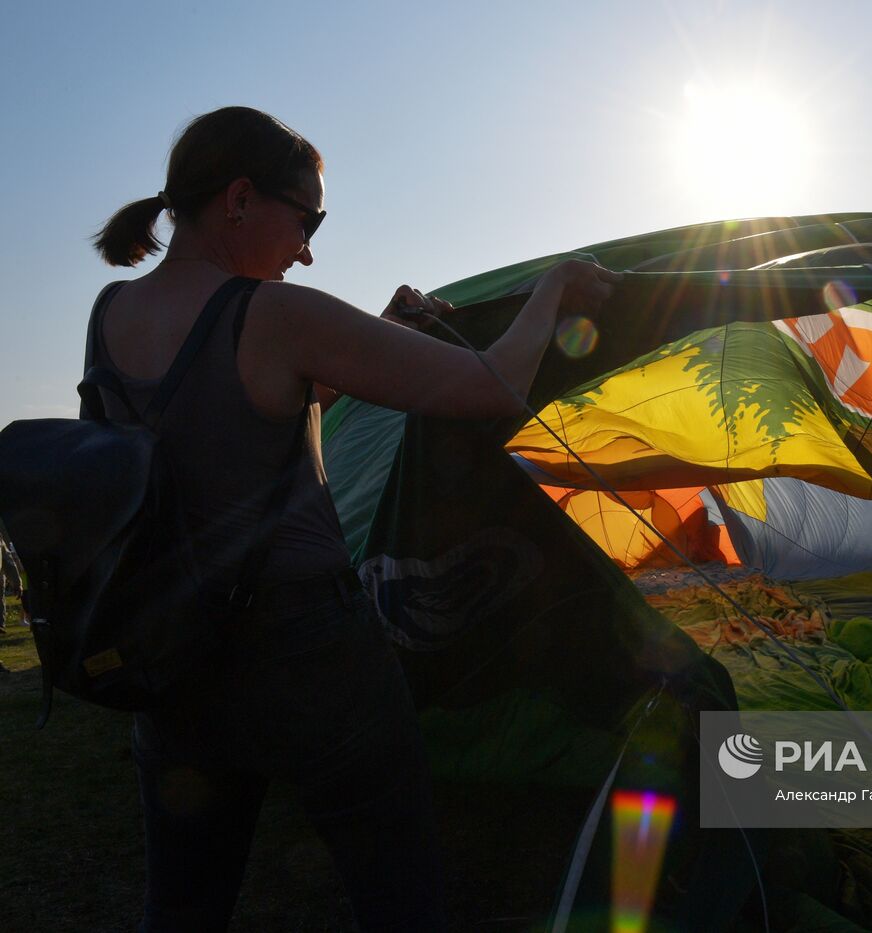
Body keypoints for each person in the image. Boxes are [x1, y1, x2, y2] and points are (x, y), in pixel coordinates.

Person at [89, 106, 619, 932]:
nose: (307, 249)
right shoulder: (272, 313)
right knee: (395, 888)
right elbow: (491, 384)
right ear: (239, 199)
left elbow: (245, 415)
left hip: (175, 655)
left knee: (185, 903)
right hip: (305, 650)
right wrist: (554, 288)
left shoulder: (110, 316)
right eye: (308, 219)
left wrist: (380, 333)